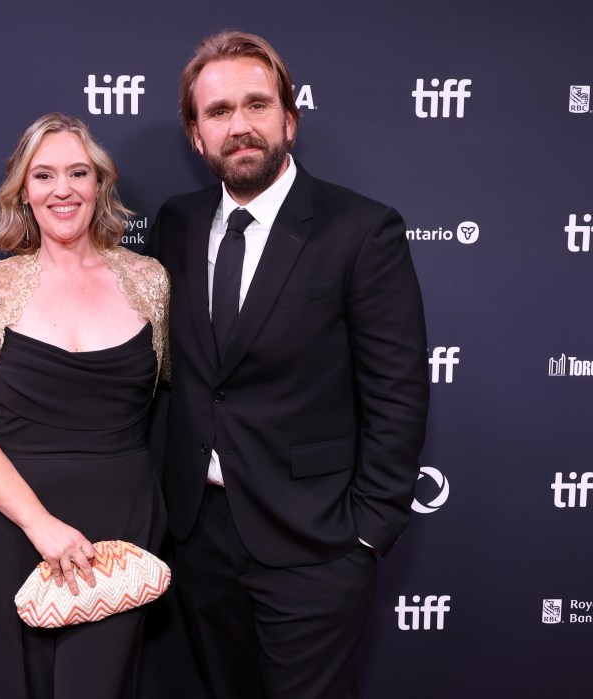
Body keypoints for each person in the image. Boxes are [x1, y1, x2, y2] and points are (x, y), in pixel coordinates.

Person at [145, 31, 430, 699]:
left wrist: (366, 534)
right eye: (217, 112)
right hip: (199, 536)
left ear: (289, 120)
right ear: (196, 135)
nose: (239, 125)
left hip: (316, 540)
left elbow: (398, 391)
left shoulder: (360, 229)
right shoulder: (177, 225)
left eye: (256, 104)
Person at [0, 112, 169, 699]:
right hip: (12, 524)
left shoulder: (150, 280)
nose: (62, 189)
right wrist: (42, 526)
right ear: (23, 193)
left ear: (99, 186)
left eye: (77, 172)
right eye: (44, 175)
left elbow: (176, 394)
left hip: (120, 531)